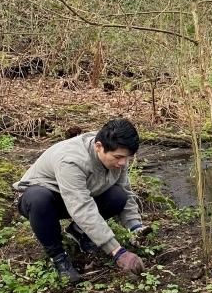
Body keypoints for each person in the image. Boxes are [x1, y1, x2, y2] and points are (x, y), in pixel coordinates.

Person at [13, 118, 151, 282]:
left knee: (118, 195)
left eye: (127, 157)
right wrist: (117, 251)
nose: (123, 162)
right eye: (118, 157)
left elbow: (125, 191)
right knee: (38, 199)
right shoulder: (71, 160)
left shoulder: (117, 155)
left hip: (79, 194)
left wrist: (135, 225)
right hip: (45, 198)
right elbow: (81, 207)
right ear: (99, 147)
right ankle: (58, 257)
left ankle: (78, 232)